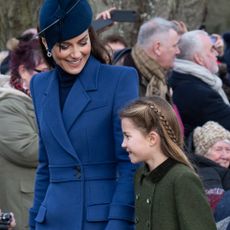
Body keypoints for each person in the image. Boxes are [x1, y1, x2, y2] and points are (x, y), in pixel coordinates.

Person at [29, 0, 139, 229]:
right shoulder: (39, 85)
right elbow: (45, 164)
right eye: (65, 46)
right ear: (46, 44)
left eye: (82, 42)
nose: (76, 53)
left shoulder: (120, 80)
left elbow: (130, 163)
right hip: (51, 220)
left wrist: (119, 222)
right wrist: (34, 219)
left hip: (100, 220)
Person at [120, 96, 217, 230]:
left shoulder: (182, 178)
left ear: (152, 139)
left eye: (127, 136)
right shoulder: (140, 176)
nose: (123, 144)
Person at [0, 34, 49, 230]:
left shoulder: (40, 99)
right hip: (22, 209)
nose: (50, 76)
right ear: (23, 71)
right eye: (44, 71)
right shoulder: (7, 106)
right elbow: (28, 150)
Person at [168, 30, 230, 140]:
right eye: (211, 50)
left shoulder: (179, 76)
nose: (216, 54)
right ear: (199, 59)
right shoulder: (198, 93)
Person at [193, 121, 230, 227]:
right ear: (204, 153)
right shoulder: (206, 171)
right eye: (218, 149)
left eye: (228, 150)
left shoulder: (221, 171)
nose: (225, 155)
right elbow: (213, 207)